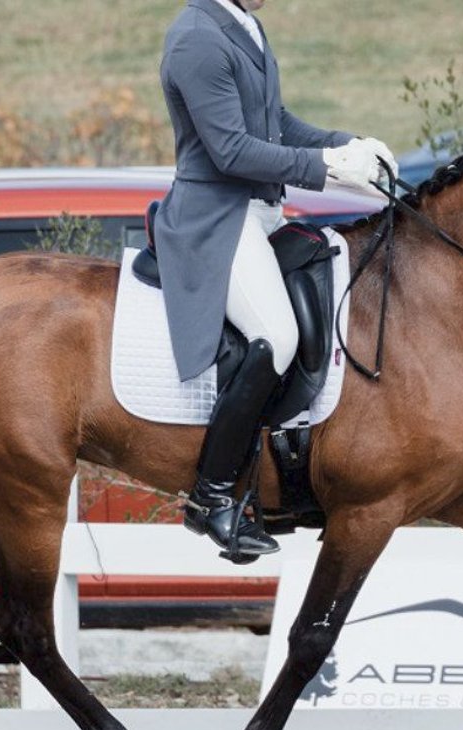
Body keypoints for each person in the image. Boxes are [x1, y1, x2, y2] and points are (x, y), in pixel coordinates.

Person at [153, 0, 397, 557]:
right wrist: (326, 171)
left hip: (260, 212)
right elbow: (231, 149)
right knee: (277, 337)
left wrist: (345, 143)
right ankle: (213, 498)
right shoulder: (196, 37)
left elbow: (276, 125)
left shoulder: (244, 26)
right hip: (216, 218)